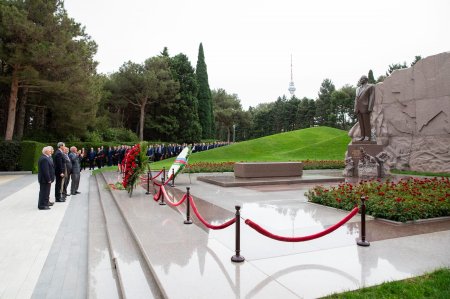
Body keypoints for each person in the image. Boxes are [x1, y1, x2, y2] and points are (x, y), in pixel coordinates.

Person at [354, 75, 375, 141]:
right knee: (361, 124)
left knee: (366, 123)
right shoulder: (358, 89)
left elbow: (372, 98)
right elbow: (356, 99)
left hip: (365, 108)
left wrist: (370, 108)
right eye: (360, 79)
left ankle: (368, 137)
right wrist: (355, 108)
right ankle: (362, 136)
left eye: (361, 79)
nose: (360, 80)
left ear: (365, 79)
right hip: (358, 109)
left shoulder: (371, 86)